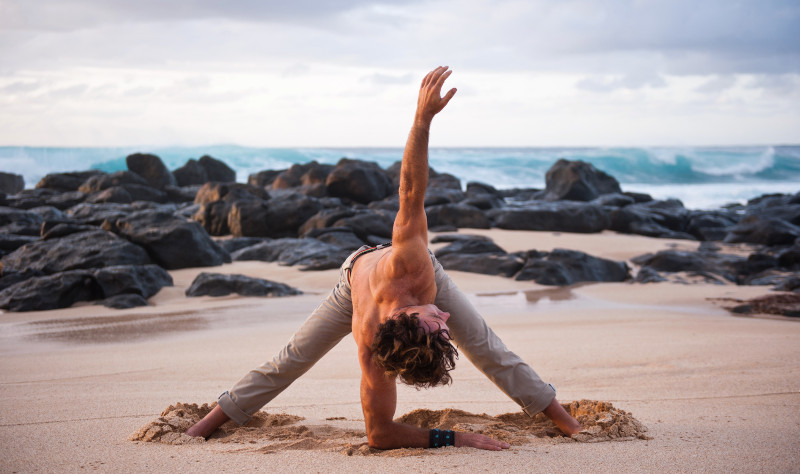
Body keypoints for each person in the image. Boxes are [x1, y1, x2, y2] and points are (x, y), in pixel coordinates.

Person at [186, 66, 581, 449]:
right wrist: (455, 437)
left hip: (411, 276)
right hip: (353, 289)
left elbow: (410, 191)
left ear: (406, 318)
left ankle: (569, 424)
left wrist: (423, 121)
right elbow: (379, 434)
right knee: (291, 359)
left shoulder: (410, 260)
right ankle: (203, 427)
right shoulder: (370, 342)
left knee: (487, 347)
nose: (445, 316)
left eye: (437, 322)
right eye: (443, 323)